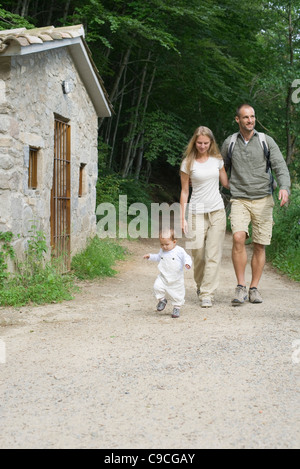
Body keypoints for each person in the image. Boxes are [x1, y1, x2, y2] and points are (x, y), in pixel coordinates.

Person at [221, 103, 291, 305]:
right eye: (245, 117)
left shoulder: (265, 141)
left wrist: (284, 187)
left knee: (260, 245)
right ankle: (241, 287)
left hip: (263, 199)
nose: (250, 120)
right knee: (238, 237)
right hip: (240, 199)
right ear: (237, 120)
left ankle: (254, 288)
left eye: (252, 117)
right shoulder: (230, 142)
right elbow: (220, 166)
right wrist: (226, 184)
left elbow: (280, 166)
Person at [180, 126, 229, 308]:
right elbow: (184, 191)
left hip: (217, 211)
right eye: (199, 143)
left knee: (213, 254)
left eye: (206, 143)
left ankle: (208, 293)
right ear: (194, 142)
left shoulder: (217, 160)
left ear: (211, 143)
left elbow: (226, 183)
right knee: (198, 254)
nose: (202, 146)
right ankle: (201, 286)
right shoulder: (187, 163)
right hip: (195, 212)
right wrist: (182, 217)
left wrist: (251, 185)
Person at [143, 229, 192, 318]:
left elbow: (187, 257)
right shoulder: (162, 251)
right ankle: (162, 300)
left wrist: (187, 263)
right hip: (163, 276)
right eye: (162, 244)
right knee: (157, 286)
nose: (164, 247)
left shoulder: (179, 251)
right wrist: (150, 256)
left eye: (167, 244)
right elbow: (158, 257)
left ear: (174, 242)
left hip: (176, 278)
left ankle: (177, 307)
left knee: (177, 293)